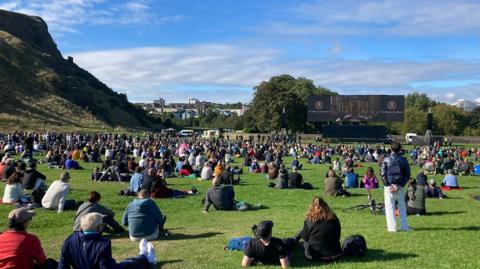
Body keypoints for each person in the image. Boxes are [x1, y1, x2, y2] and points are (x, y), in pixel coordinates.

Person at [59, 213, 157, 269]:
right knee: (128, 263)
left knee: (127, 262)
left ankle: (144, 256)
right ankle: (147, 259)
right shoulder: (103, 243)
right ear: (100, 227)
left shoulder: (69, 239)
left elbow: (63, 265)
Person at [297, 197, 342, 262]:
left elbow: (305, 238)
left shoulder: (309, 221)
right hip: (336, 255)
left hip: (316, 257)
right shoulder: (334, 219)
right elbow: (338, 235)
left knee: (305, 244)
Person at [381, 142, 410, 232]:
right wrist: (400, 185)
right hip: (399, 185)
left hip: (389, 186)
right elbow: (407, 174)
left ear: (390, 148)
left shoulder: (386, 160)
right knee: (402, 206)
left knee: (390, 206)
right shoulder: (403, 160)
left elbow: (382, 174)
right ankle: (404, 226)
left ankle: (392, 228)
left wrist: (388, 185)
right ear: (400, 149)